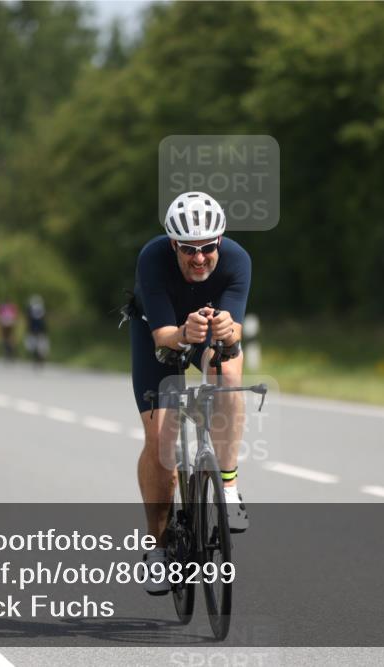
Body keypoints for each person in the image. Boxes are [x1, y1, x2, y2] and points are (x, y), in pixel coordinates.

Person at [129, 191, 251, 594]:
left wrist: (228, 330)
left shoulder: (237, 260)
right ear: (172, 244)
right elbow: (163, 338)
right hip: (159, 334)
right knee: (161, 441)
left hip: (207, 332)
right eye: (188, 249)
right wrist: (183, 332)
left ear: (220, 241)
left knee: (228, 375)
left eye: (207, 248)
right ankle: (157, 547)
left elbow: (234, 332)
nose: (199, 258)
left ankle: (228, 486)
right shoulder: (152, 258)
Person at [24, 294, 49, 365]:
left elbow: (29, 321)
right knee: (38, 345)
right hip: (38, 330)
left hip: (36, 330)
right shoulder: (41, 311)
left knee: (36, 345)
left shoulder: (31, 311)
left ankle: (38, 357)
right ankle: (39, 357)